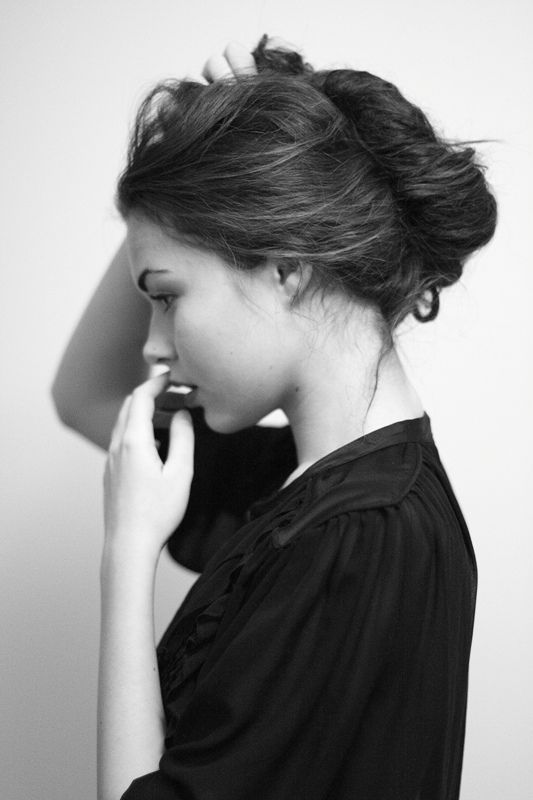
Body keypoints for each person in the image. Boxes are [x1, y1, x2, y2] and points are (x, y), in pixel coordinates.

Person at [51, 35, 497, 800]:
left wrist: (127, 556)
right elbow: (86, 395)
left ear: (287, 265)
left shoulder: (352, 539)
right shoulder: (312, 484)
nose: (152, 348)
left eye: (166, 296)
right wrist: (183, 196)